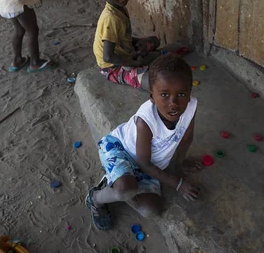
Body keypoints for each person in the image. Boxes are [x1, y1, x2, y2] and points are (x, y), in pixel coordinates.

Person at [85, 54, 202, 230]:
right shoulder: (145, 121)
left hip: (147, 163)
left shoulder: (191, 107)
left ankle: (116, 180)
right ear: (152, 97)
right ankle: (96, 198)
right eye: (164, 94)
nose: (174, 103)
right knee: (125, 189)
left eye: (181, 94)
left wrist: (180, 163)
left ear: (189, 93)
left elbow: (187, 138)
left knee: (151, 209)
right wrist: (178, 183)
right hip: (120, 148)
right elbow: (144, 163)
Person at [92, 0, 160, 89]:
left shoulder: (119, 8)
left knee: (155, 41)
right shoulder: (110, 18)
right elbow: (108, 57)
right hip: (113, 66)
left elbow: (121, 36)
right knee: (153, 82)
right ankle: (137, 65)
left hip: (125, 52)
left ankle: (140, 61)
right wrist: (135, 63)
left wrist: (137, 41)